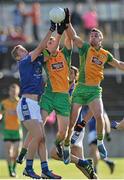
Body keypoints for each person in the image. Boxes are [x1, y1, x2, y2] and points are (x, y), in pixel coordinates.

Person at [64, 8, 124, 161]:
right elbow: (73, 36)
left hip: (94, 90)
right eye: (91, 35)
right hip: (81, 88)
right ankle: (66, 145)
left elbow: (118, 64)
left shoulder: (105, 54)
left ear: (101, 39)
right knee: (71, 121)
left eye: (96, 35)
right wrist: (67, 22)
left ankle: (100, 142)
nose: (93, 36)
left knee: (98, 116)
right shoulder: (85, 48)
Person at [11, 21, 62, 179]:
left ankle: (45, 170)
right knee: (38, 136)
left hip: (35, 104)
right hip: (26, 103)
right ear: (18, 57)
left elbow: (51, 50)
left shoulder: (36, 60)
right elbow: (40, 48)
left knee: (42, 138)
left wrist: (59, 33)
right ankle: (28, 167)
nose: (24, 50)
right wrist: (51, 30)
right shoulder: (24, 62)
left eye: (23, 49)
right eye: (21, 50)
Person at [39, 22, 73, 165]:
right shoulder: (45, 56)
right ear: (46, 46)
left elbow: (69, 40)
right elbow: (51, 51)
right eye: (49, 42)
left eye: (53, 40)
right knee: (39, 126)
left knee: (63, 133)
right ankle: (27, 156)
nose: (52, 42)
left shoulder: (65, 54)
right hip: (49, 94)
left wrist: (66, 25)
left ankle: (59, 143)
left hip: (63, 96)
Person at [72, 106, 115, 174]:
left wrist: (108, 133)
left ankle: (95, 169)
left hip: (96, 131)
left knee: (94, 150)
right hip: (92, 132)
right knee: (93, 152)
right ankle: (108, 161)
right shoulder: (84, 108)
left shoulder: (96, 105)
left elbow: (105, 119)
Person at [0, 84, 22, 177]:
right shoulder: (4, 103)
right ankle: (10, 171)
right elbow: (0, 114)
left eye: (15, 91)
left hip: (17, 131)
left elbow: (25, 116)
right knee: (8, 152)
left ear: (18, 92)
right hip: (7, 131)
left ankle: (14, 168)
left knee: (16, 153)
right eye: (11, 91)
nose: (13, 93)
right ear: (9, 92)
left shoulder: (20, 102)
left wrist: (17, 113)